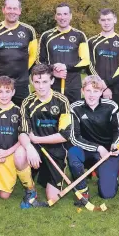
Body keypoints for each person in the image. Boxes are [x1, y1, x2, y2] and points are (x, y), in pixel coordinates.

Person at [0, 76, 41, 211]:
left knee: (5, 196)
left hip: (11, 153)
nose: (4, 95)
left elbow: (23, 136)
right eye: (0, 91)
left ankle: (30, 187)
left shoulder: (19, 112)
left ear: (13, 92)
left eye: (7, 91)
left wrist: (7, 152)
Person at [18, 64, 72, 203]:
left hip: (55, 149)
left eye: (44, 82)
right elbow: (23, 132)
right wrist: (30, 147)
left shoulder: (62, 100)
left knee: (52, 198)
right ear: (32, 81)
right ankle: (30, 189)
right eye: (37, 82)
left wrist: (37, 139)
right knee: (20, 154)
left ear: (52, 81)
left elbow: (64, 135)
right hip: (35, 148)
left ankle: (44, 176)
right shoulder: (27, 102)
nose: (40, 86)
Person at [68, 75, 119, 206]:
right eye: (88, 91)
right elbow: (75, 138)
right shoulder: (75, 107)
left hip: (108, 152)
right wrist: (98, 148)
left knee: (107, 194)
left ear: (101, 92)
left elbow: (118, 131)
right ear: (82, 91)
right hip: (85, 149)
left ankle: (106, 174)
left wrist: (115, 144)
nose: (92, 95)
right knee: (72, 153)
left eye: (96, 91)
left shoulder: (111, 106)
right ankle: (83, 189)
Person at [0, 0, 38, 109]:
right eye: (9, 8)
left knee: (23, 115)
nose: (12, 11)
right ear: (3, 10)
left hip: (21, 83)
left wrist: (23, 72)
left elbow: (34, 55)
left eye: (15, 8)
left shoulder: (29, 30)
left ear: (20, 11)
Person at [38, 2, 90, 103]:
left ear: (70, 16)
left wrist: (65, 66)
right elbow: (40, 61)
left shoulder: (79, 35)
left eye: (65, 14)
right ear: (55, 17)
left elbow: (85, 61)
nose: (62, 17)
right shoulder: (46, 36)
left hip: (73, 86)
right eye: (59, 14)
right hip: (51, 84)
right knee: (51, 116)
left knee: (73, 116)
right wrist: (52, 70)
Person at [87, 8, 119, 118]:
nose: (106, 23)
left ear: (115, 20)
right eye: (103, 20)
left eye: (109, 19)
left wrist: (107, 83)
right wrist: (102, 87)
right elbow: (89, 66)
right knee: (96, 122)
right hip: (96, 89)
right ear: (99, 21)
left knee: (117, 122)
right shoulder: (92, 42)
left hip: (117, 89)